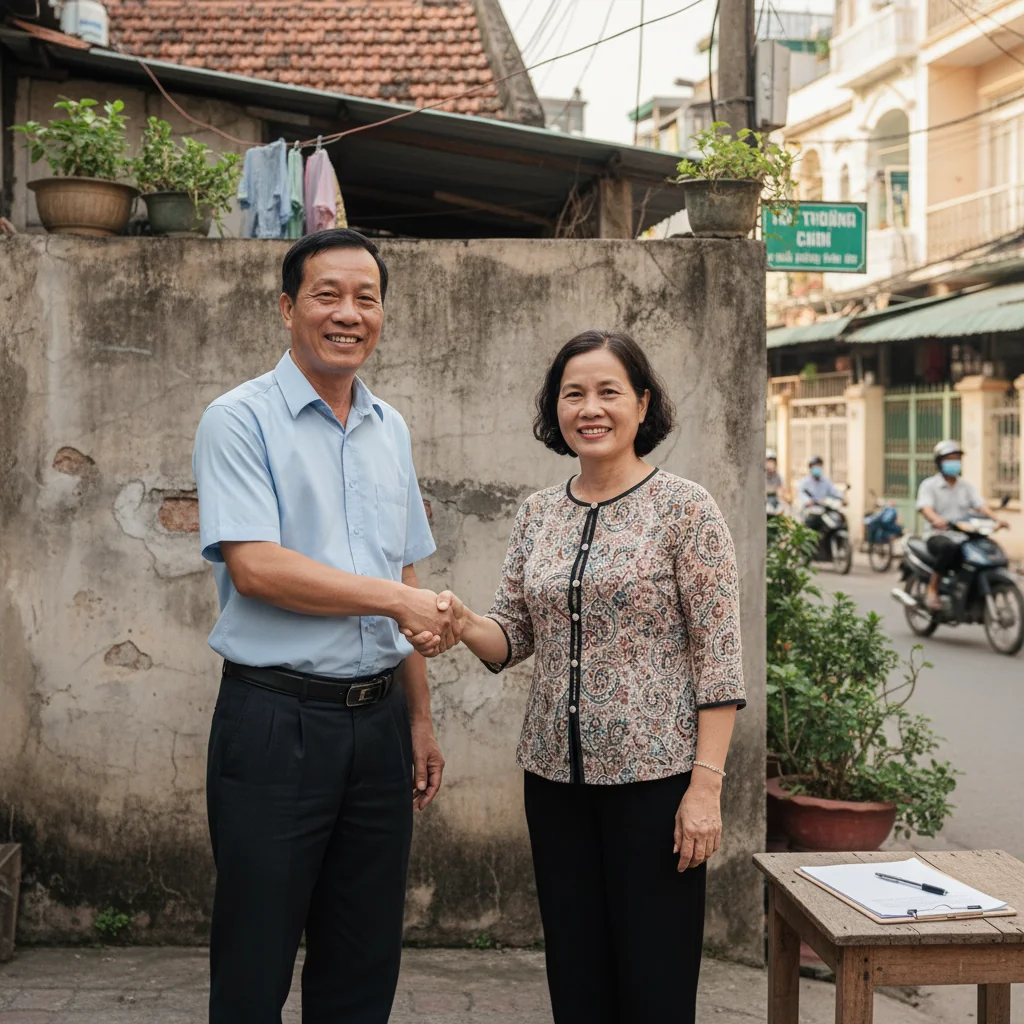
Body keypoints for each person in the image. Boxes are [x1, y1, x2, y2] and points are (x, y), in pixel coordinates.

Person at [407, 330, 746, 1024]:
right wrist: (462, 621)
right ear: (555, 409)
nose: (590, 408)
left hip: (656, 786)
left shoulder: (686, 509)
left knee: (654, 982)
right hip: (554, 784)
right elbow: (512, 635)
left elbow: (719, 657)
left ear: (642, 404)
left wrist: (705, 789)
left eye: (608, 392)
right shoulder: (538, 513)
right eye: (573, 394)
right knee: (576, 975)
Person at [192, 228, 459, 1024]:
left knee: (362, 957)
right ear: (287, 308)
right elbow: (257, 568)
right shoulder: (238, 419)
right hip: (275, 721)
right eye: (327, 295)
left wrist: (418, 718)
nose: (349, 314)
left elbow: (403, 572)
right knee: (256, 959)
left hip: (377, 726)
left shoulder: (389, 427)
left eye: (366, 298)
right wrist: (395, 603)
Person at [917, 439, 1008, 611]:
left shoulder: (965, 486)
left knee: (991, 549)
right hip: (938, 535)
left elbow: (981, 506)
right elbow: (925, 507)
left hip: (964, 534)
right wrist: (936, 519)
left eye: (957, 459)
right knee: (948, 548)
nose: (954, 463)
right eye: (949, 459)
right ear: (939, 462)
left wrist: (997, 519)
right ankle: (933, 589)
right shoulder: (929, 485)